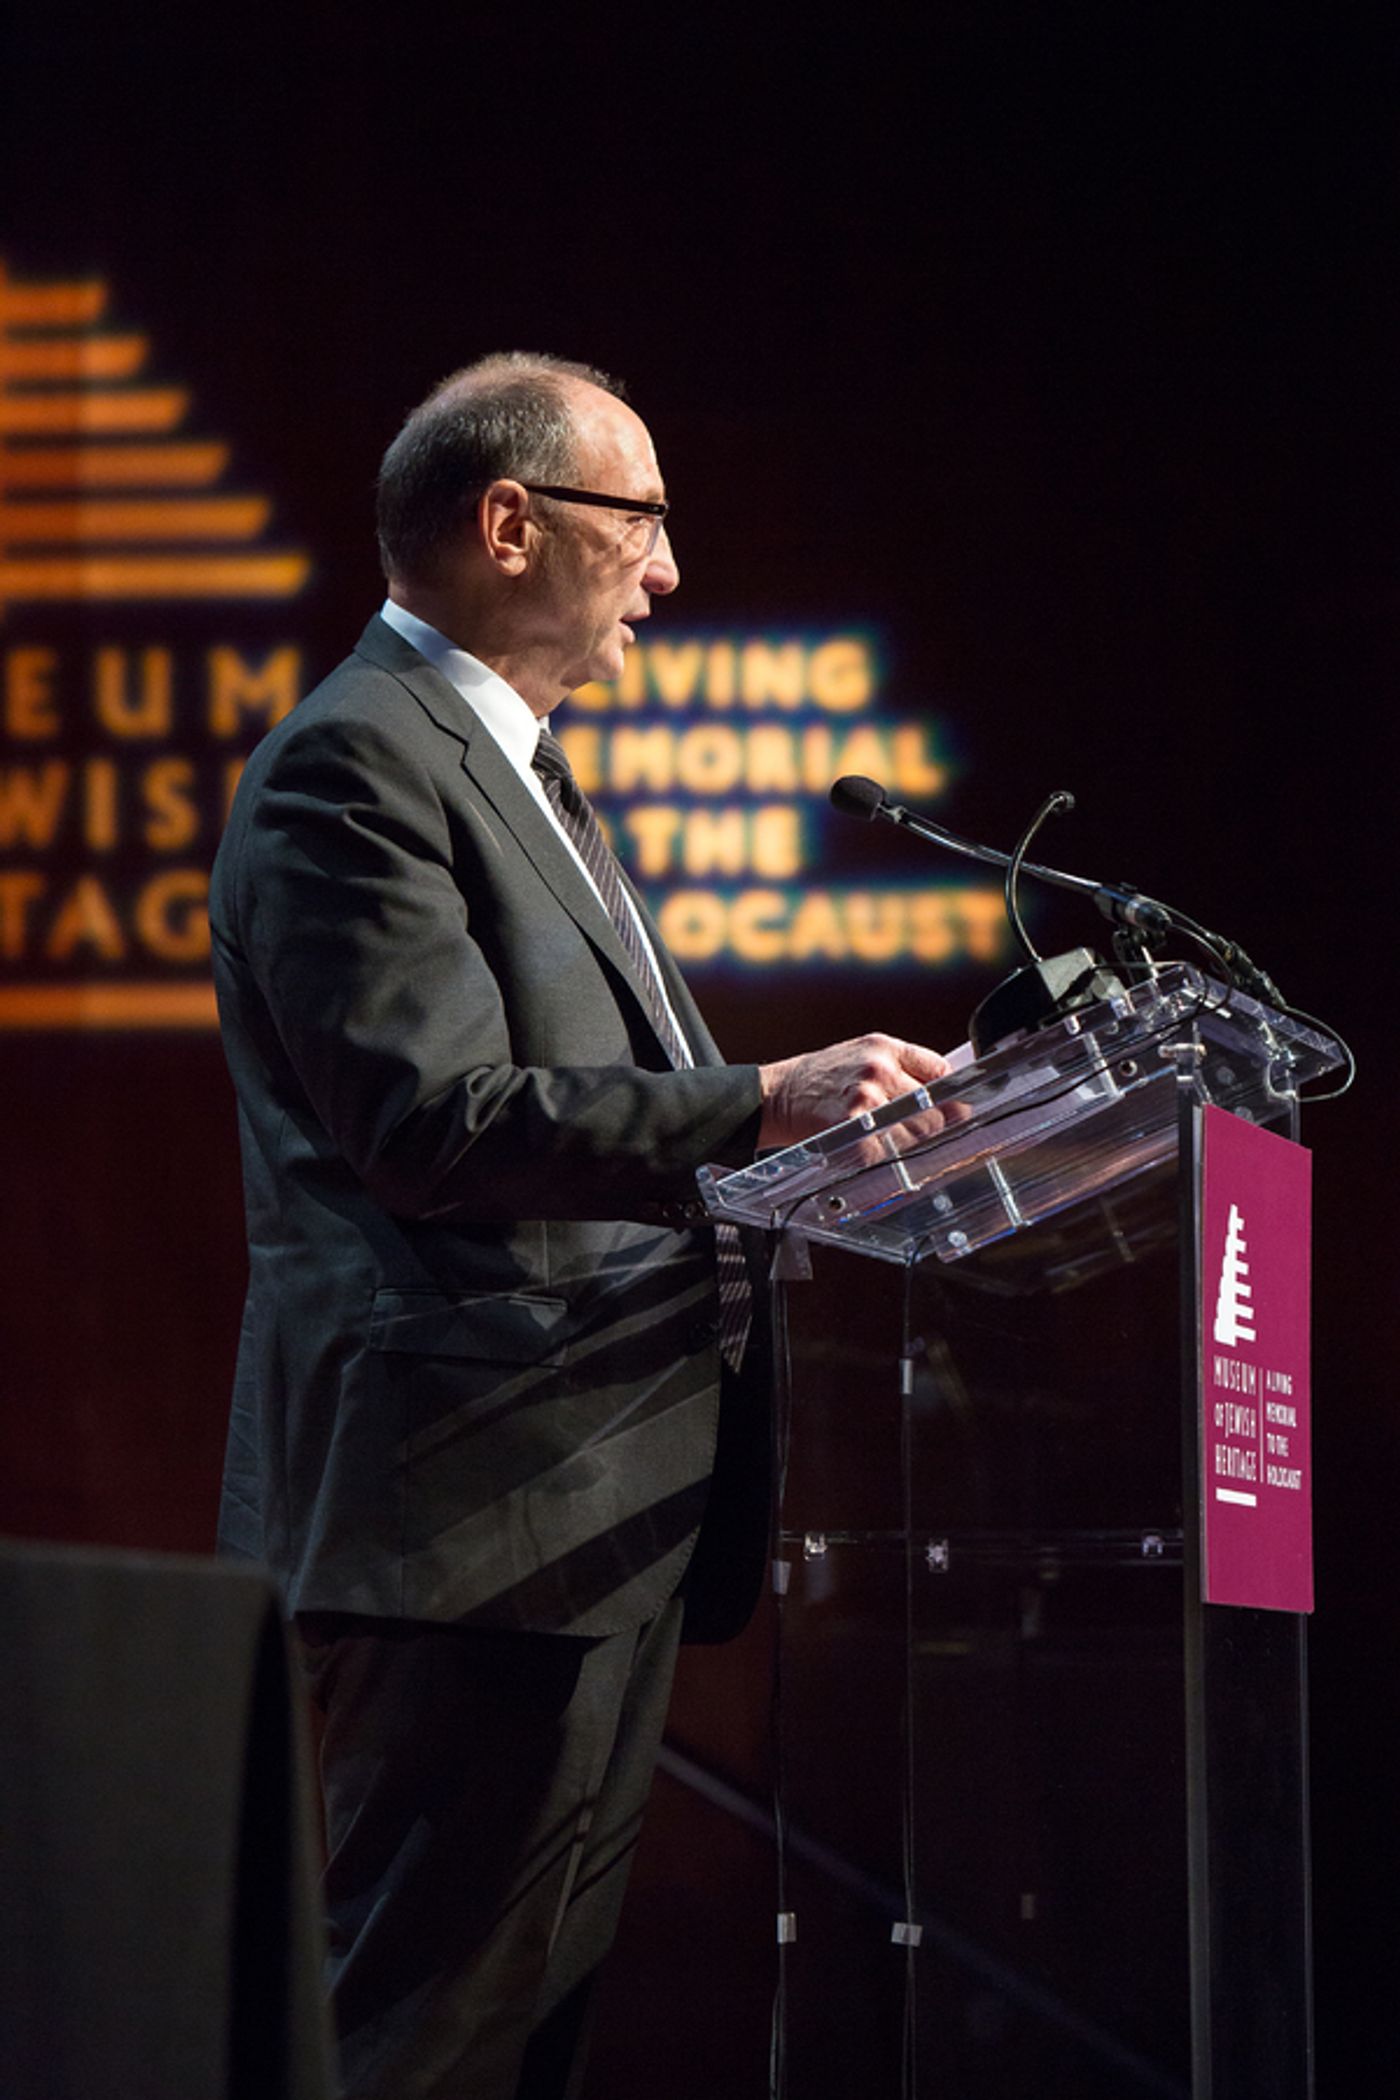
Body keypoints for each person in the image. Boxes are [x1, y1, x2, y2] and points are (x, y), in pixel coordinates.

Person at [210, 351, 950, 2099]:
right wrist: (762, 1101)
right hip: (472, 1518)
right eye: (645, 521)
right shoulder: (357, 766)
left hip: (586, 1510)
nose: (669, 573)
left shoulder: (518, 770)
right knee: (424, 2041)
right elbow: (431, 1122)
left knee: (524, 2036)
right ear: (510, 523)